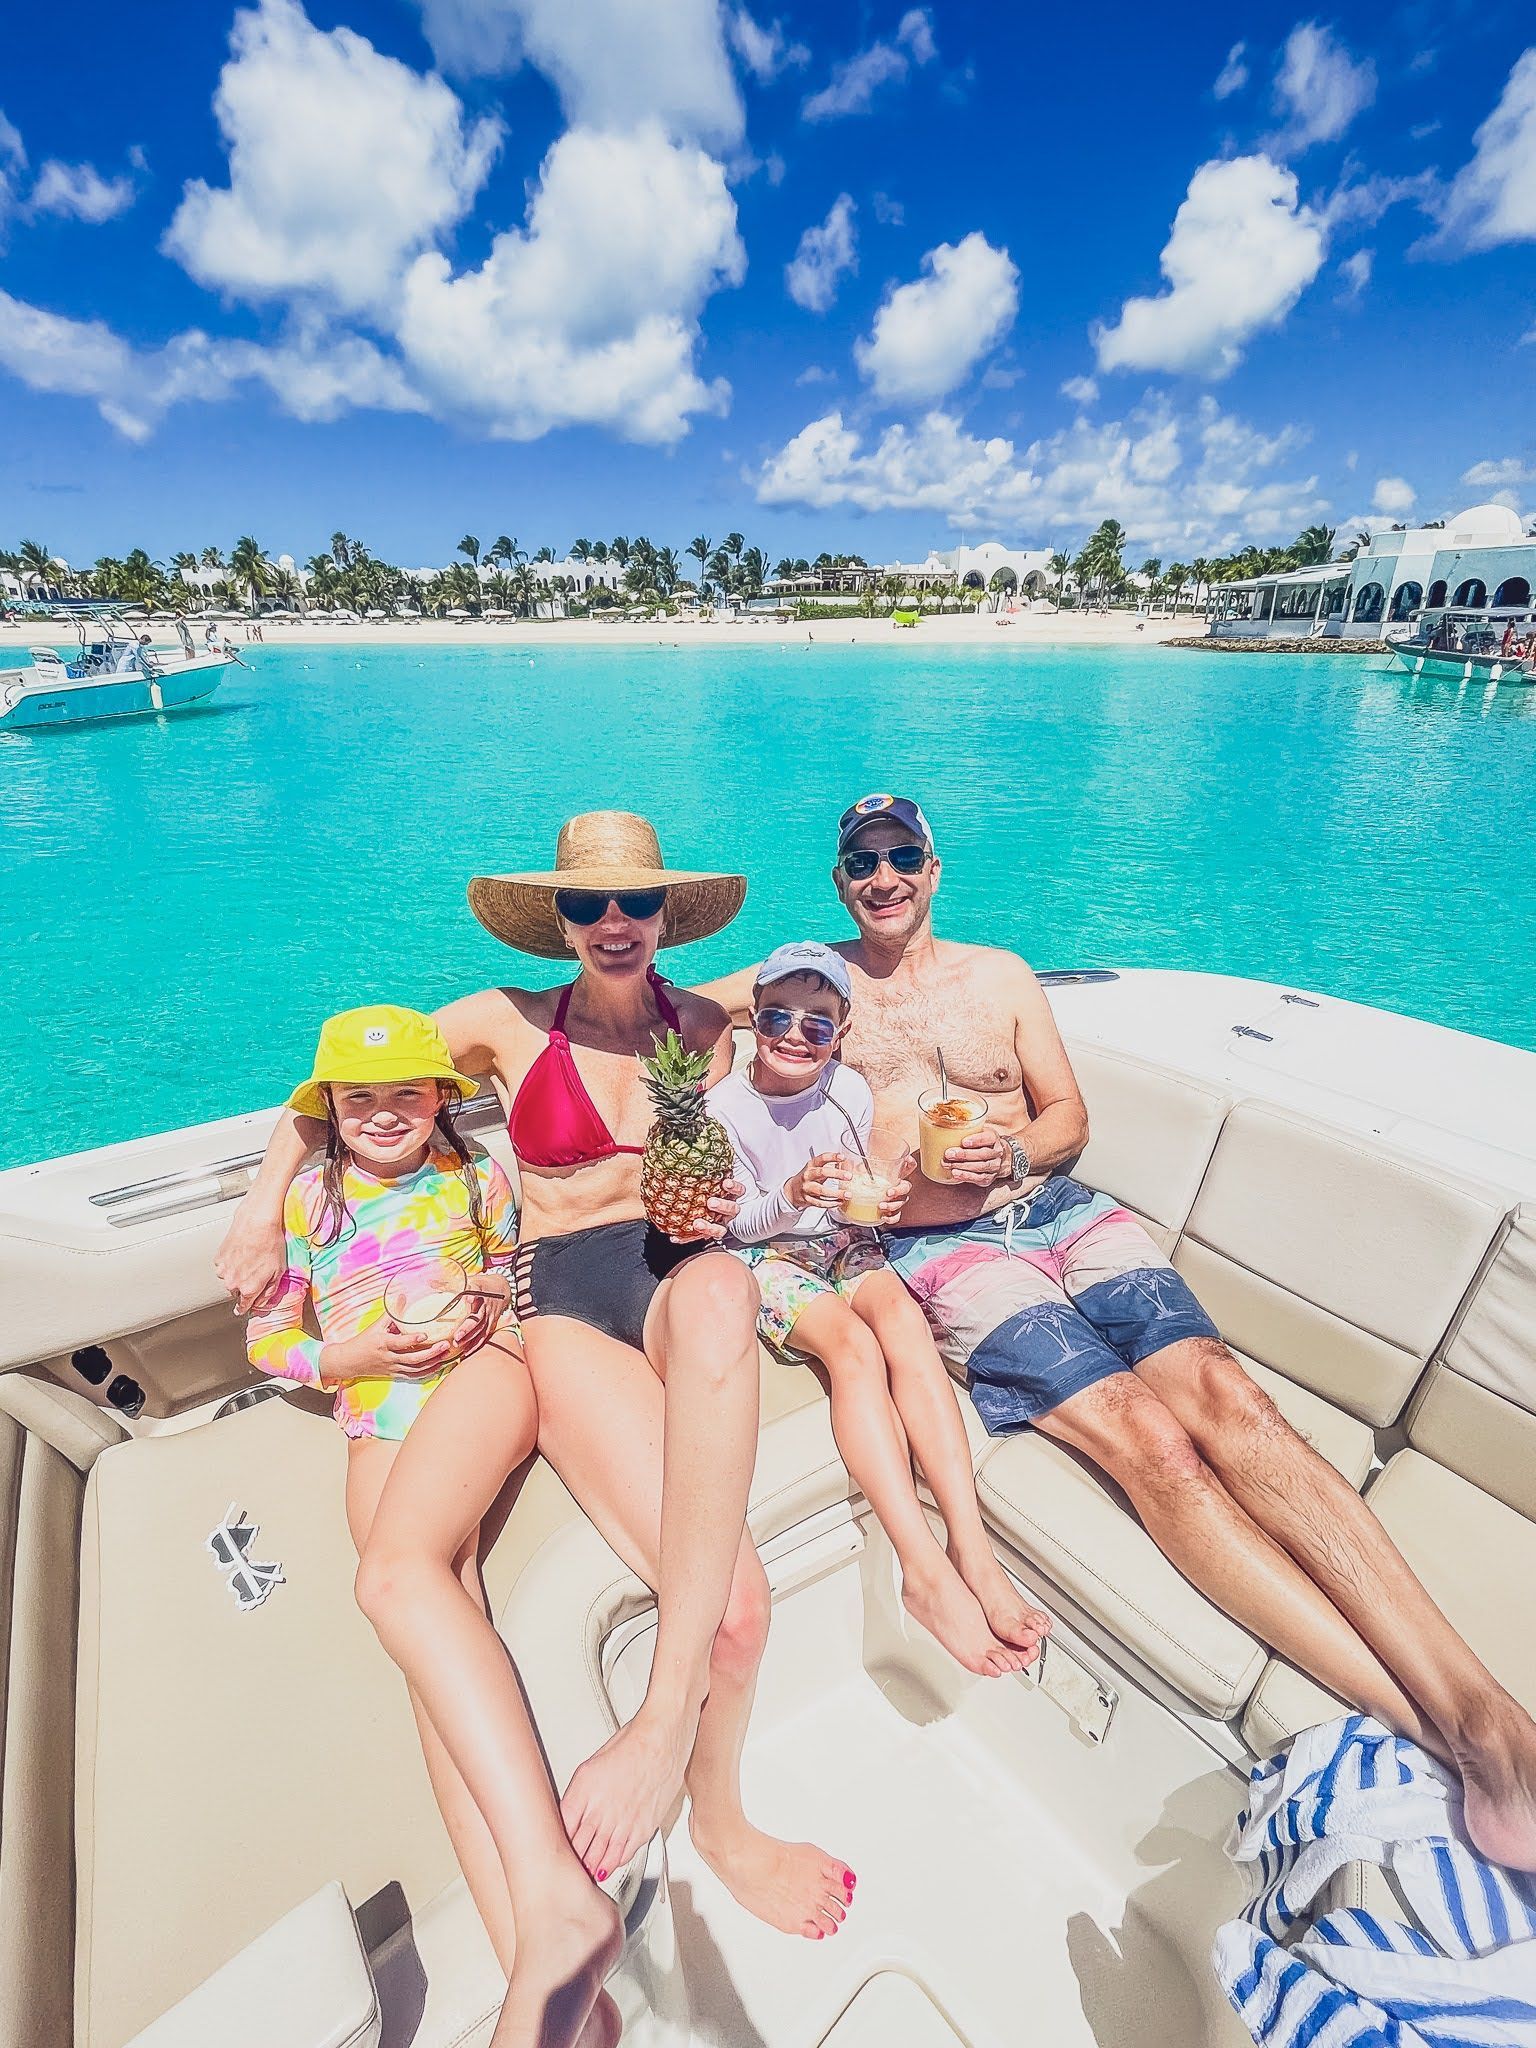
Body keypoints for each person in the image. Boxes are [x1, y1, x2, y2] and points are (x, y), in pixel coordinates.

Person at [701, 791, 1536, 1873]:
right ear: (839, 883)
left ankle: (1488, 1712)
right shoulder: (814, 988)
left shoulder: (1001, 977)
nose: (886, 877)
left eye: (904, 854)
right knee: (1151, 1441)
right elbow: (663, 999)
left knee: (1236, 1405)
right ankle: (1435, 1733)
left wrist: (1013, 1158)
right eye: (863, 863)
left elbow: (1068, 1118)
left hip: (1065, 1210)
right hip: (939, 1252)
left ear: (935, 866)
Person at [215, 812, 856, 1948]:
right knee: (737, 1616)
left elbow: (829, 1042)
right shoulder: (499, 1023)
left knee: (721, 1290)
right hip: (561, 1289)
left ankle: (701, 1789)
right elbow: (331, 1087)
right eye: (585, 904)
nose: (613, 923)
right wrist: (267, 1202)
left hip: (670, 1268)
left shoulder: (709, 1024)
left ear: (667, 916)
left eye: (635, 904)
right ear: (556, 921)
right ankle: (681, 1811)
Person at [246, 1005, 620, 2048]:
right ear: (326, 1110)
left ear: (441, 1099)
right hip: (376, 1421)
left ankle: (555, 1900)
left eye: (405, 1093)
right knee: (432, 1658)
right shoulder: (308, 1199)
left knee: (402, 1583)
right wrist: (346, 1361)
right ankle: (557, 1990)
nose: (382, 1114)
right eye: (357, 1098)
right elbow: (271, 1333)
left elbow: (517, 1269)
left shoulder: (475, 1174)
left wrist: (478, 1300)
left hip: (481, 1379)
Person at [709, 941, 1050, 1679]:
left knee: (905, 1327)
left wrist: (887, 1191)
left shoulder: (849, 1091)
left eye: (818, 1023)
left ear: (842, 1029)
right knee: (854, 1351)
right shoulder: (726, 1108)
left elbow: (861, 1181)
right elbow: (733, 1229)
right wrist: (794, 1195)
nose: (796, 1035)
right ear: (752, 1020)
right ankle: (922, 1568)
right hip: (765, 1259)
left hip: (843, 1242)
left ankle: (972, 1547)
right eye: (777, 1016)